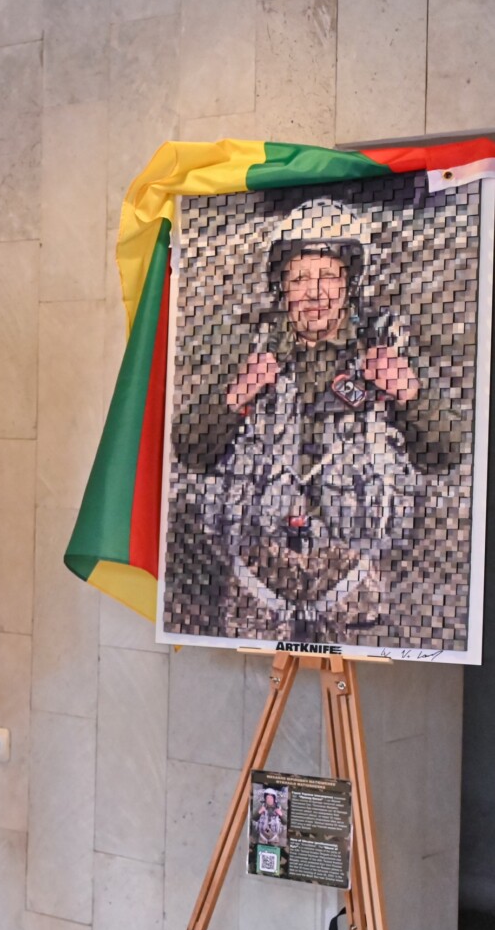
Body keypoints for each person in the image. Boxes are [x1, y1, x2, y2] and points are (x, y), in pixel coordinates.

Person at [174, 198, 467, 643]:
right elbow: (190, 451)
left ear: (350, 283)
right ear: (282, 287)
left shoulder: (387, 348)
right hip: (257, 575)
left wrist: (409, 393)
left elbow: (447, 453)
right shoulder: (248, 349)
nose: (315, 293)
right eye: (300, 279)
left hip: (354, 579)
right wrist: (237, 395)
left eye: (329, 276)